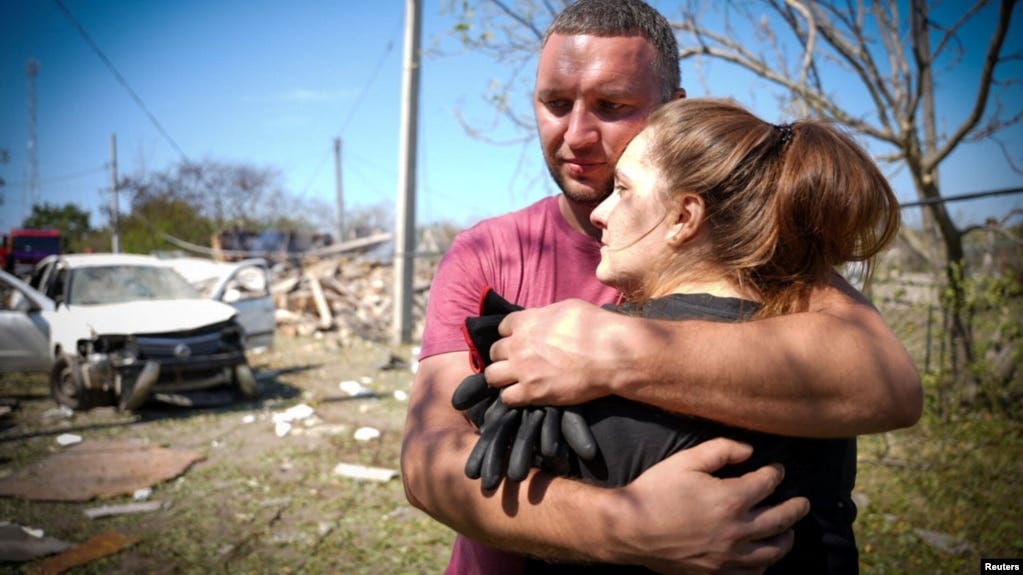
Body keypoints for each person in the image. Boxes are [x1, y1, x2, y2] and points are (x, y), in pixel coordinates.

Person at [400, 0, 922, 573]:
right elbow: (428, 460)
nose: (575, 134)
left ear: (672, 112)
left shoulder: (756, 253)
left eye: (611, 105)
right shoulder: (488, 252)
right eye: (555, 104)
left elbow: (887, 384)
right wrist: (624, 526)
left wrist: (611, 351)